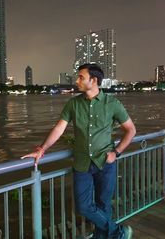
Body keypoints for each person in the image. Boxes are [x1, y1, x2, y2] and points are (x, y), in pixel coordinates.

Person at [21, 63, 136, 239]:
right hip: (82, 163)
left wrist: (117, 152)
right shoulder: (73, 104)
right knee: (83, 206)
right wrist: (42, 149)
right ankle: (118, 232)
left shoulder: (112, 103)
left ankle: (103, 237)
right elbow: (59, 129)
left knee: (104, 205)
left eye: (81, 77)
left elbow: (131, 130)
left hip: (105, 162)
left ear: (94, 80)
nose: (77, 80)